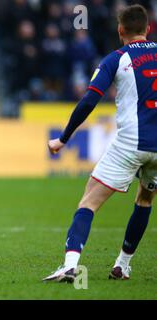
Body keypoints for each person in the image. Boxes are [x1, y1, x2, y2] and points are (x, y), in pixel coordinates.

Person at [43, 4, 156, 282]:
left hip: (131, 143)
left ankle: (71, 265)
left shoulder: (115, 59)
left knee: (89, 201)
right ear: (148, 28)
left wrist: (63, 138)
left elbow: (90, 100)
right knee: (144, 198)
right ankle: (122, 265)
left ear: (120, 30)